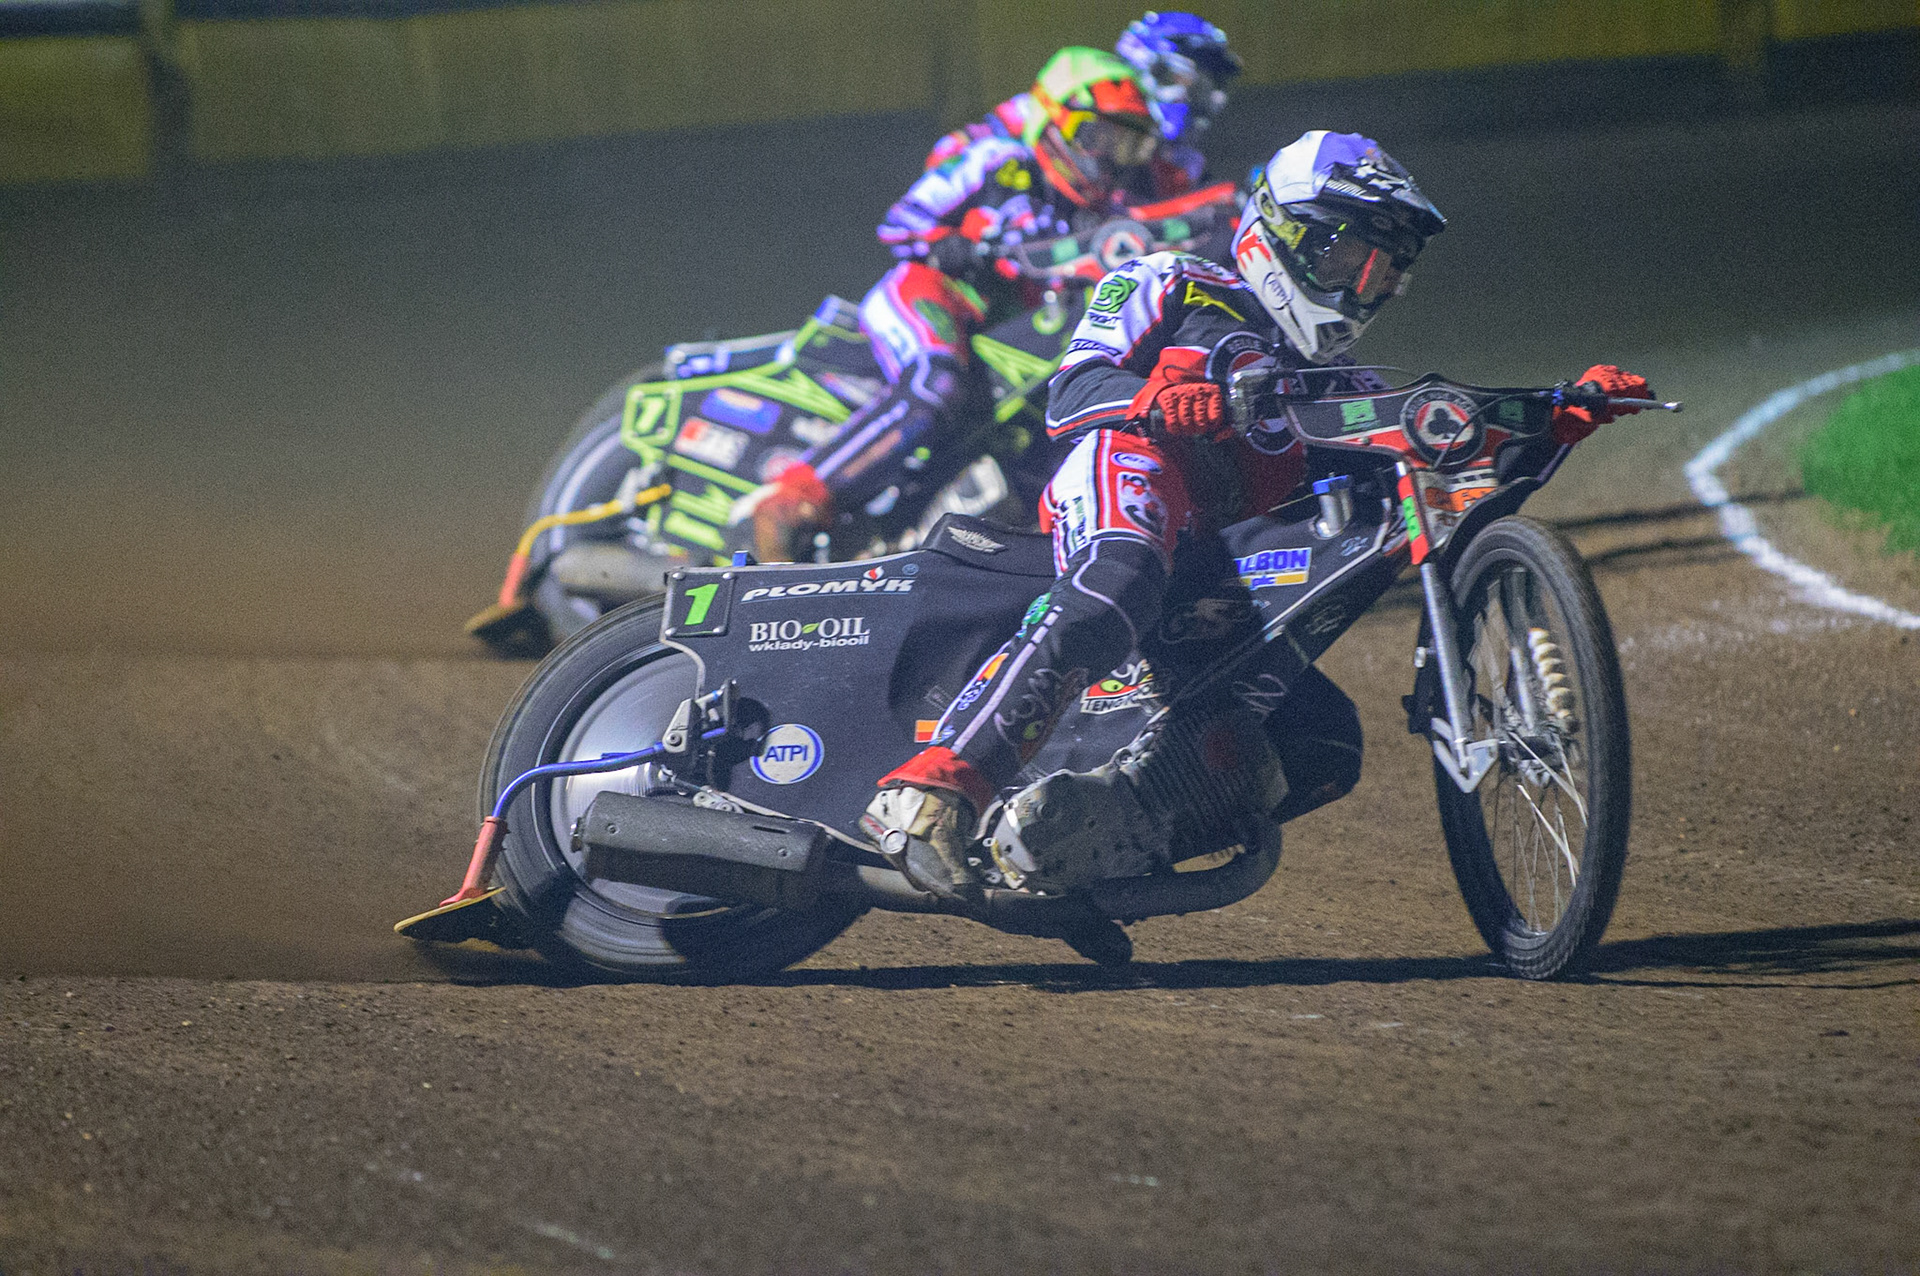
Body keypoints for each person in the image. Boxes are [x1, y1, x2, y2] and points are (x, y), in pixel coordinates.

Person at [860, 129, 1654, 898]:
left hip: (1220, 566)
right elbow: (1069, 396)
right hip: (1129, 470)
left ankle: (1087, 833)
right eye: (1349, 255)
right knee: (1120, 574)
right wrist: (1161, 402)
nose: (1362, 284)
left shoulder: (1339, 389)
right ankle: (934, 786)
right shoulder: (1169, 281)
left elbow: (1435, 465)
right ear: (1286, 232)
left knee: (1322, 742)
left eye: (1383, 272)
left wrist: (1551, 419)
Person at [746, 48, 1162, 564]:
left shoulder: (1101, 212)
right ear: (1055, 121)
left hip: (998, 334)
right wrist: (954, 246)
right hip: (930, 291)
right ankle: (793, 499)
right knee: (935, 384)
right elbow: (901, 221)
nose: (1106, 156)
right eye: (1097, 136)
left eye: (1126, 144)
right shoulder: (998, 160)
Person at [925, 11, 1243, 199]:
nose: (1194, 99)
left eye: (1205, 89)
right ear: (1148, 65)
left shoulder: (1184, 161)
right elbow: (946, 157)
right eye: (1188, 81)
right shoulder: (1064, 104)